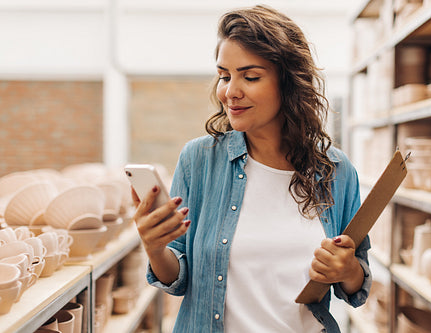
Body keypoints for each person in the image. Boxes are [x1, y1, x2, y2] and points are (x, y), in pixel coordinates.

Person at [132, 5, 371, 333]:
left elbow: (357, 286)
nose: (231, 91)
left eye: (250, 76)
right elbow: (177, 277)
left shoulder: (337, 171)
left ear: (288, 83)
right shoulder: (198, 160)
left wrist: (347, 270)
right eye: (224, 76)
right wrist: (155, 247)